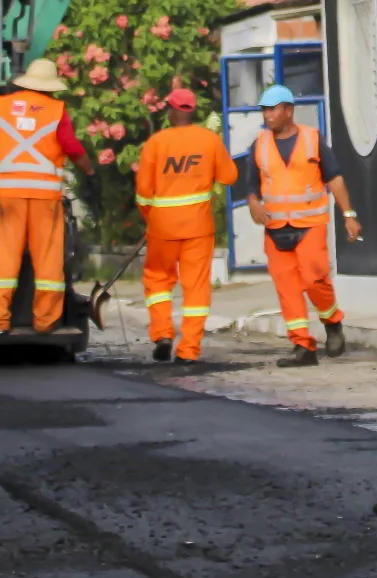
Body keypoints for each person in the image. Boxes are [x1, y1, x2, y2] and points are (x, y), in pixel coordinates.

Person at [237, 84, 360, 369]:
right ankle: (302, 345)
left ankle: (332, 322)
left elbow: (335, 179)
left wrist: (349, 215)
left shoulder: (313, 140)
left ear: (288, 111)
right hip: (276, 227)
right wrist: (253, 202)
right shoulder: (259, 144)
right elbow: (251, 183)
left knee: (314, 279)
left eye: (272, 109)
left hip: (310, 224)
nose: (267, 115)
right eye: (264, 110)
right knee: (287, 287)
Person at [0, 56, 91, 334]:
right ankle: (46, 321)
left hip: (8, 197)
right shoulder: (56, 110)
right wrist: (90, 172)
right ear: (50, 87)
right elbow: (72, 147)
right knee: (48, 261)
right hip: (44, 200)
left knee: (4, 258)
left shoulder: (1, 107)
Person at [131, 88, 236, 364]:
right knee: (197, 287)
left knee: (157, 281)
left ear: (171, 112)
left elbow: (142, 193)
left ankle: (163, 335)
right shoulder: (209, 140)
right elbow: (230, 176)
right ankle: (188, 350)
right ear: (192, 111)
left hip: (162, 228)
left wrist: (151, 220)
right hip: (199, 228)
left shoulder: (156, 143)